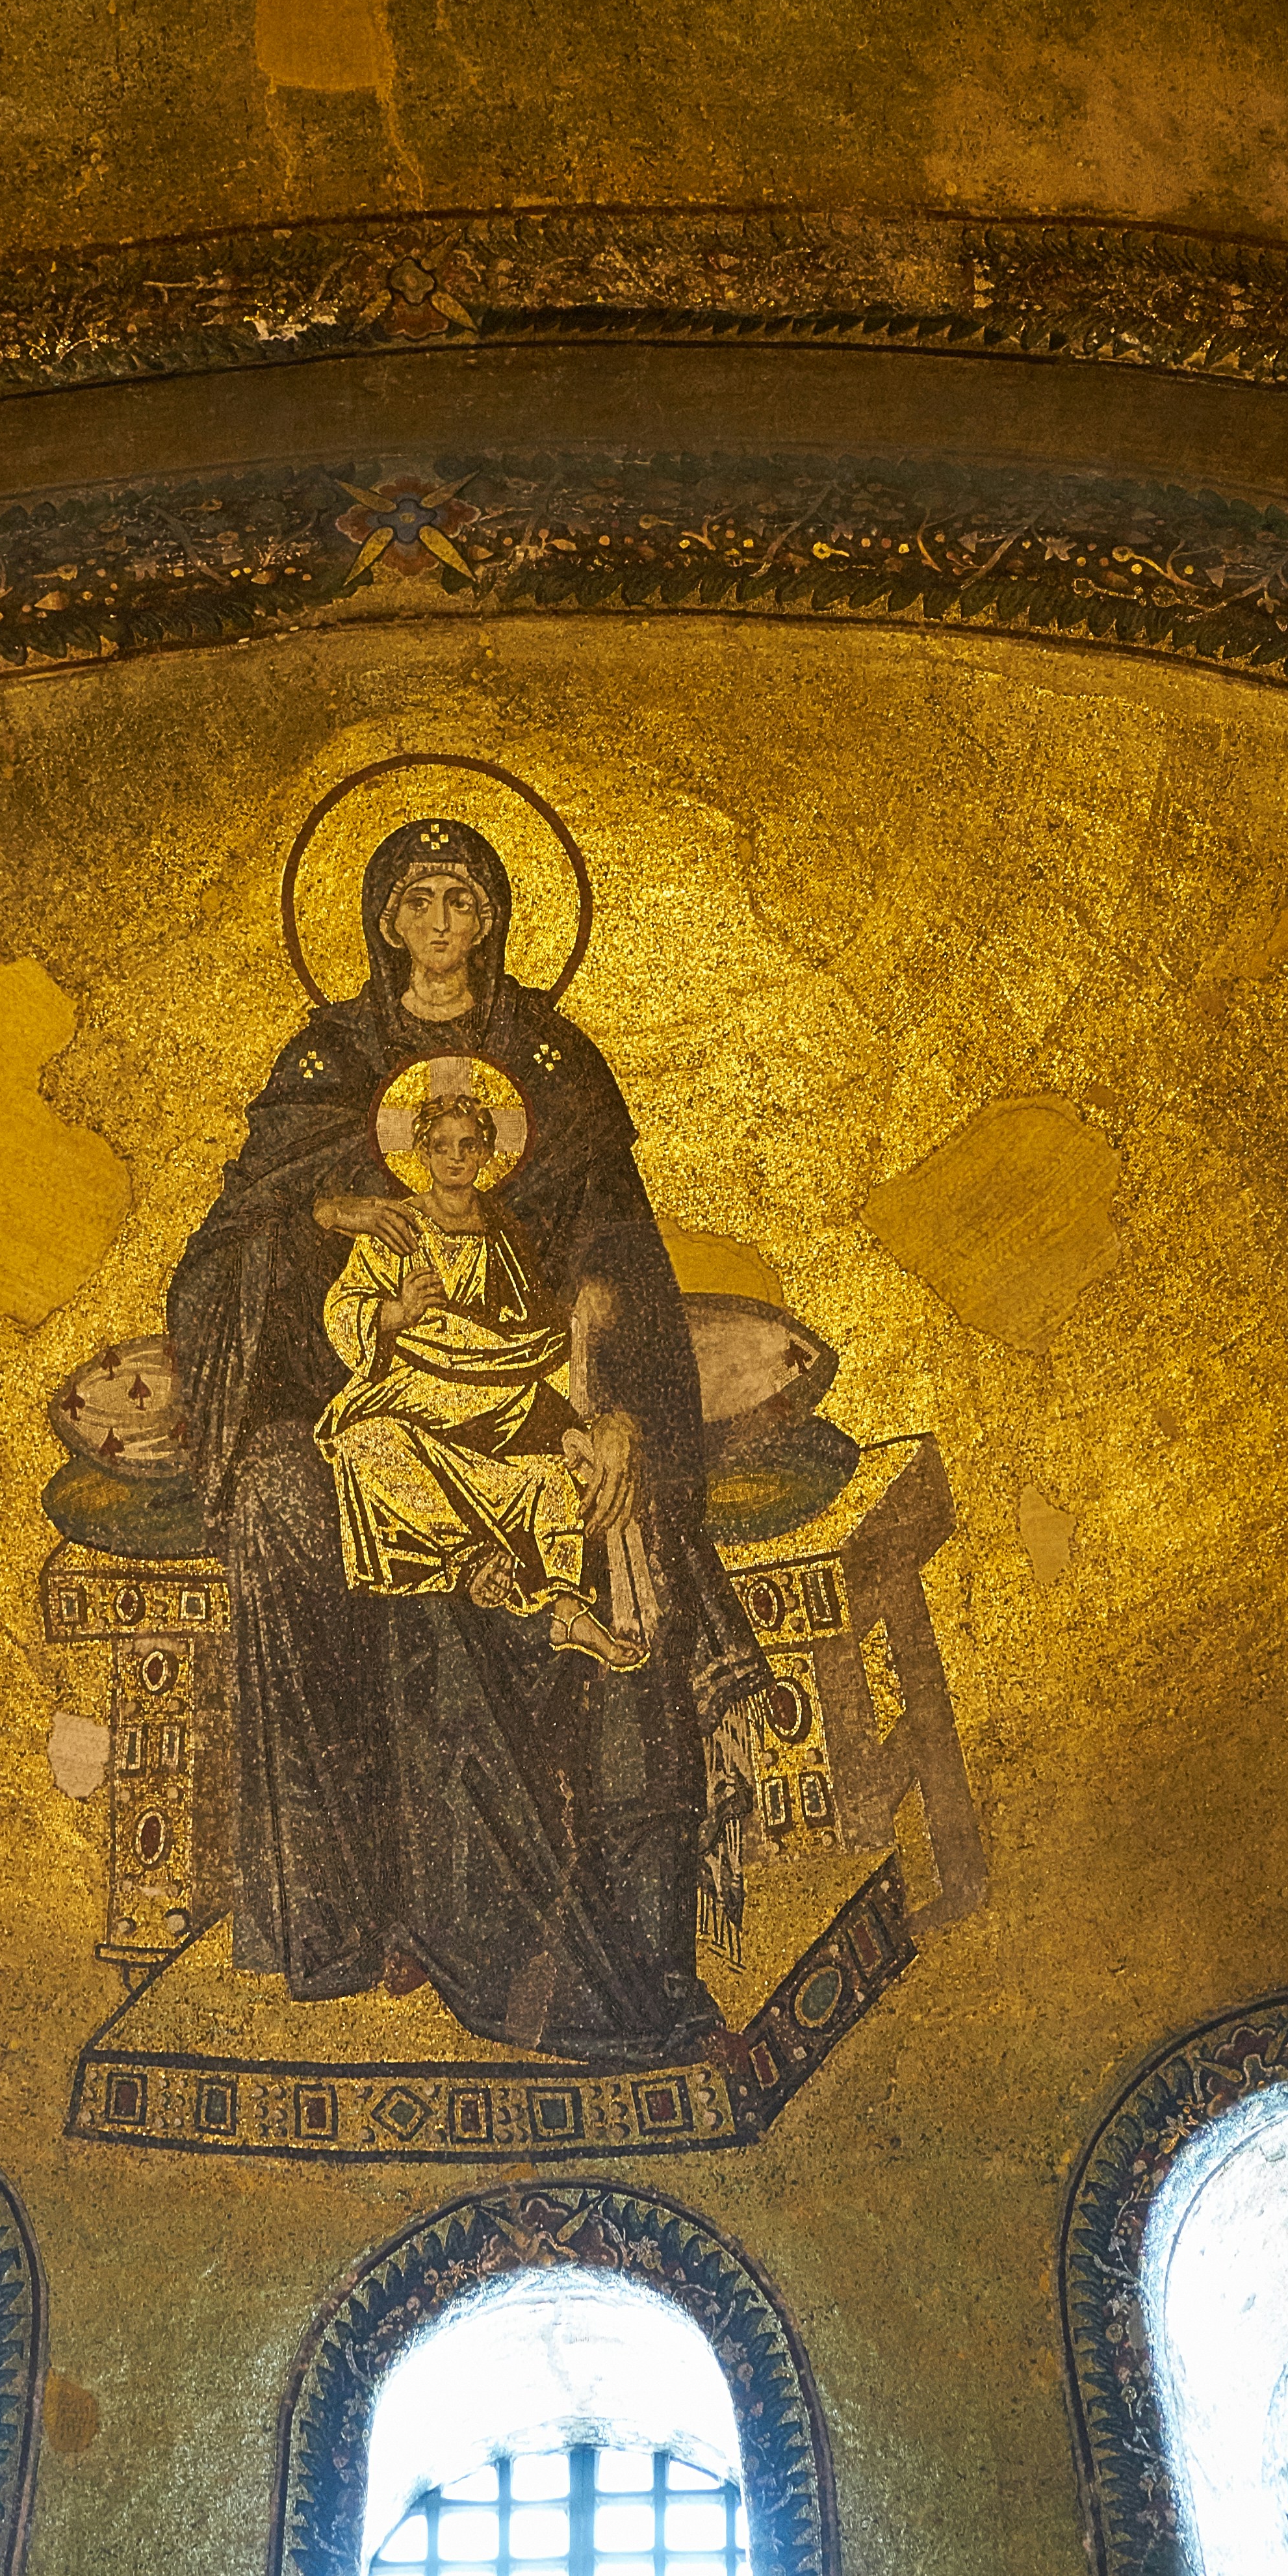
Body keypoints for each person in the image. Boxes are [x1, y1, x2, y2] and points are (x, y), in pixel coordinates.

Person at [161, 816, 767, 2062]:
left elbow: (616, 1252)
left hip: (536, 1394)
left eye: (463, 901)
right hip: (373, 1402)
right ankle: (356, 1909)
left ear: (491, 919)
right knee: (287, 1499)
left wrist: (611, 1395)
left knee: (617, 1534)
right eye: (419, 901)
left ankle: (642, 1952)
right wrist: (327, 1213)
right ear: (384, 921)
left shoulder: (552, 1061)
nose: (441, 924)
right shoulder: (326, 1063)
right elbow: (226, 1261)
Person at [310, 1070, 652, 1673]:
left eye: (468, 1145)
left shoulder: (501, 1235)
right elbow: (342, 1309)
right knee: (368, 1443)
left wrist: (564, 1392)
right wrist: (397, 1313)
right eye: (441, 1146)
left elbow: (530, 1332)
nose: (455, 1158)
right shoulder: (396, 1227)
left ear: (488, 1155)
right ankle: (471, 1560)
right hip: (413, 1384)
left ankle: (567, 1610)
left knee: (551, 1475)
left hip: (493, 1384)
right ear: (421, 1153)